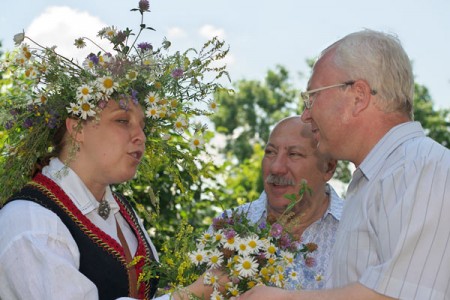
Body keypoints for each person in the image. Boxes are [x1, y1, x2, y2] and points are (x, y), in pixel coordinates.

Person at [0, 1, 227, 299]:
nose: (140, 137)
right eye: (122, 121)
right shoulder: (31, 222)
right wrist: (191, 295)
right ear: (77, 128)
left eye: (142, 125)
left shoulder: (121, 211)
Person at [240, 29, 450, 299]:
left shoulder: (420, 168)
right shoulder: (374, 179)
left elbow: (405, 295)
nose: (305, 114)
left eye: (312, 97)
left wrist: (284, 298)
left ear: (358, 96)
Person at [218, 115, 344, 290]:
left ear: (329, 167)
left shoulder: (360, 227)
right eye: (270, 152)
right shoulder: (228, 226)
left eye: (294, 154)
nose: (276, 167)